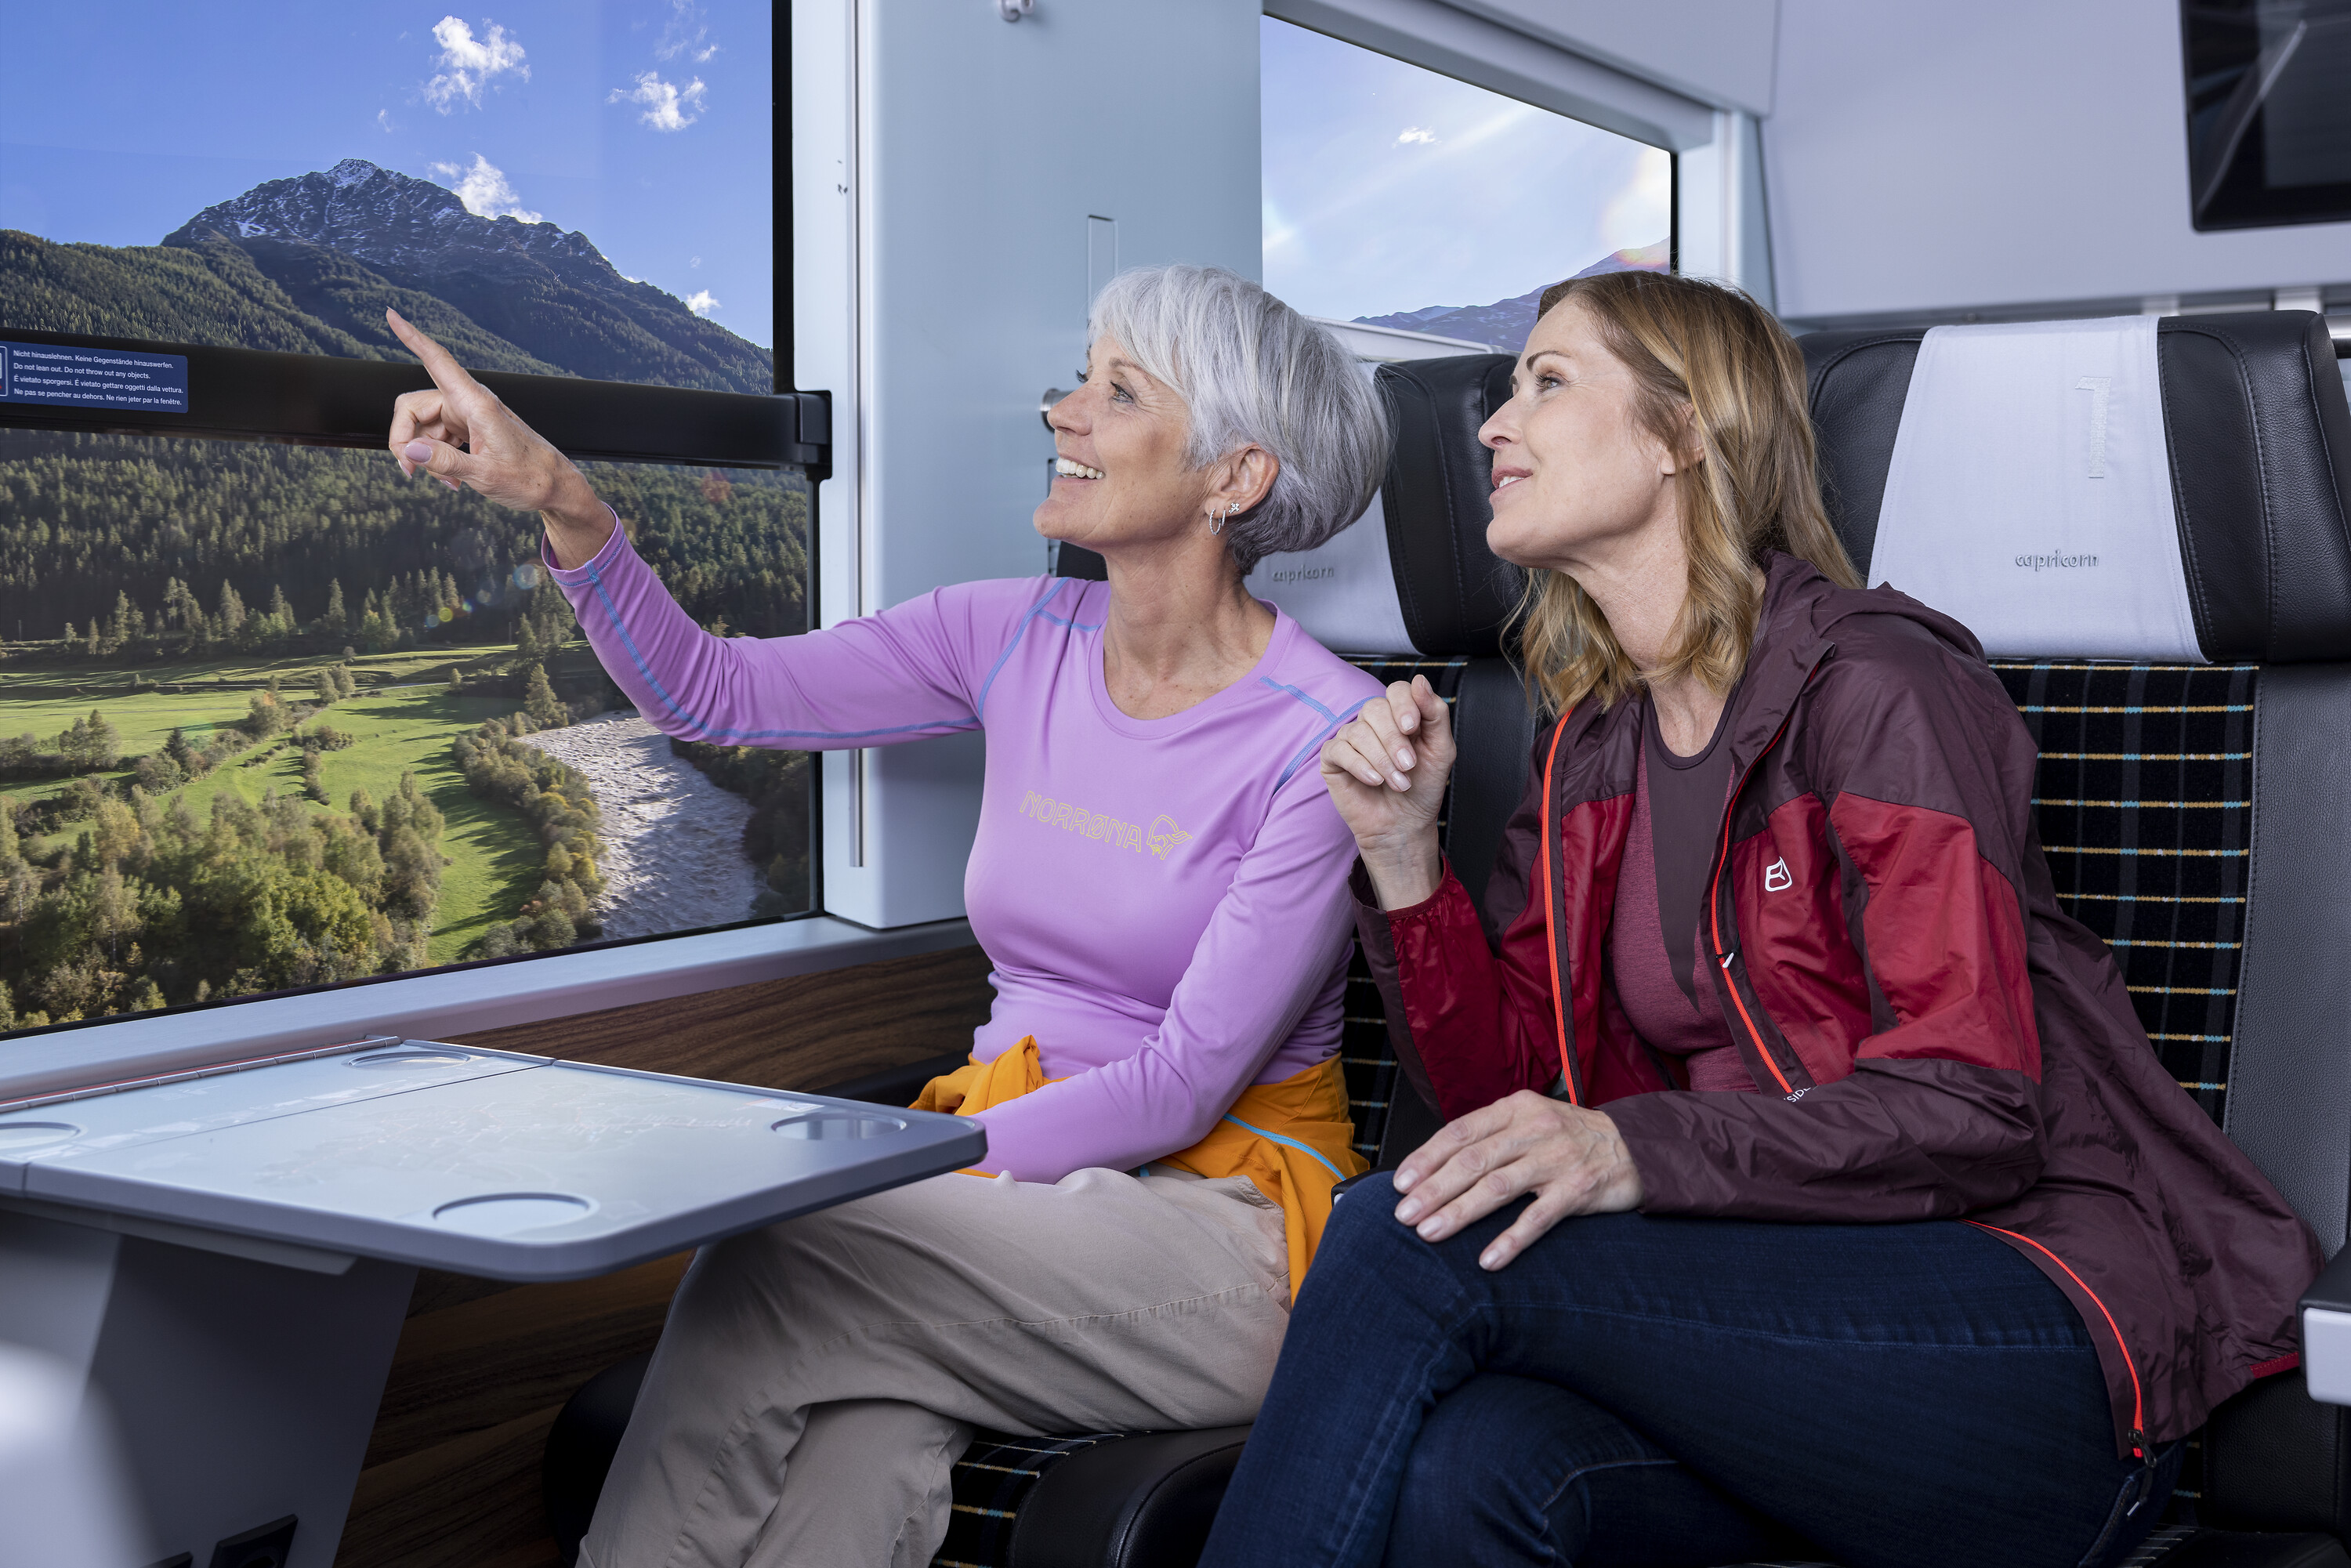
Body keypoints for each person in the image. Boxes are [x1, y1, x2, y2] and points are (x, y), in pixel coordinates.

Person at [1197, 270, 2323, 1568]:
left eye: (1546, 382)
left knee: (1406, 1238)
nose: (1494, 426)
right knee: (1476, 1464)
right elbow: (1499, 1105)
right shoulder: (1590, 748)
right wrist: (1400, 861)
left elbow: (1976, 1102)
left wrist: (1636, 1151)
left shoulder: (1879, 688)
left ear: (1682, 433)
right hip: (1769, 1313)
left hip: (2021, 1327)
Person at [379, 262, 1390, 1567]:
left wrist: (904, 1162)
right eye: (1080, 376)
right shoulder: (1010, 634)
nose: (1064, 412)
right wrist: (566, 506)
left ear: (1234, 478)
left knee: (772, 1260)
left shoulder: (1331, 737)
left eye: (1117, 389)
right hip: (1008, 1202)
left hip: (1217, 1239)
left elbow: (1183, 1084)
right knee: (845, 1453)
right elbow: (714, 695)